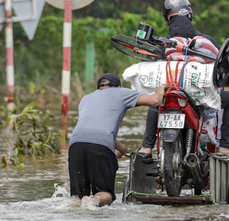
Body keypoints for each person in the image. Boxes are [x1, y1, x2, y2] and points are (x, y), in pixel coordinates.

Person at [137, 0, 229, 158]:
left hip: (169, 93)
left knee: (156, 98)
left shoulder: (163, 46)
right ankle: (226, 147)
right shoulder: (206, 41)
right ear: (190, 15)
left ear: (168, 18)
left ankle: (146, 147)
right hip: (199, 97)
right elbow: (224, 68)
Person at [69, 73, 164, 206]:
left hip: (75, 145)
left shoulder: (86, 99)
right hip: (100, 146)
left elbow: (93, 131)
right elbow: (155, 101)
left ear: (99, 87)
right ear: (118, 86)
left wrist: (121, 149)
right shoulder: (120, 92)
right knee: (105, 195)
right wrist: (160, 89)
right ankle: (94, 200)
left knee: (77, 197)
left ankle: (79, 202)